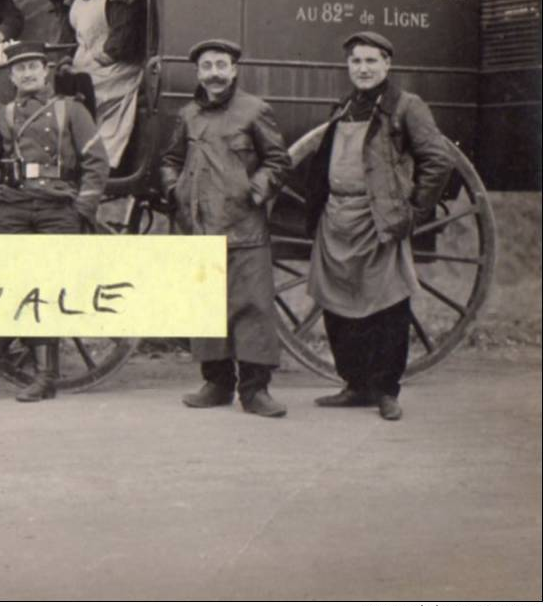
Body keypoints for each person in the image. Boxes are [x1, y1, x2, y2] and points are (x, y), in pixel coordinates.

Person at [305, 31, 454, 421]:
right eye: (356, 61)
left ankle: (387, 390)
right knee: (337, 305)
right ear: (348, 66)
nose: (363, 68)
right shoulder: (345, 107)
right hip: (336, 219)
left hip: (378, 221)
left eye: (372, 61)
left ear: (387, 64)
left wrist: (414, 212)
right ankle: (355, 386)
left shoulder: (407, 106)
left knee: (388, 307)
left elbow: (437, 161)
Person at [0, 41, 110, 401]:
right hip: (14, 207)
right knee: (15, 284)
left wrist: (83, 208)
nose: (28, 73)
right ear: (12, 76)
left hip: (57, 209)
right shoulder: (3, 117)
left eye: (34, 66)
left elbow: (96, 161)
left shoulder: (71, 111)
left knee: (48, 288)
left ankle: (42, 376)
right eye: (20, 69)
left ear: (45, 70)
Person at [161, 39, 291, 418]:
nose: (214, 74)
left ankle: (255, 392)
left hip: (245, 228)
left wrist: (254, 192)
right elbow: (171, 159)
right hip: (201, 229)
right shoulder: (188, 115)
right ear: (198, 73)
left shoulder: (255, 111)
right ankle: (216, 384)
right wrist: (176, 188)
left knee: (252, 308)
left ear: (234, 69)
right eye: (207, 67)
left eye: (221, 65)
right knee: (206, 308)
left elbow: (278, 161)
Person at [65, 0, 147, 169]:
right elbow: (68, 36)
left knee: (81, 90)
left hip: (117, 69)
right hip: (87, 65)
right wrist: (65, 60)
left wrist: (87, 64)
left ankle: (92, 159)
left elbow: (122, 42)